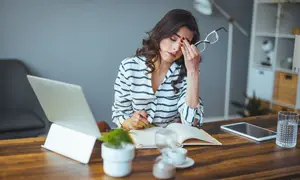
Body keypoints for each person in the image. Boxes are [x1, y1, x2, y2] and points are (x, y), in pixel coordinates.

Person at [112, 9, 204, 130]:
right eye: (173, 38)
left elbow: (191, 124)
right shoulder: (129, 67)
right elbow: (119, 113)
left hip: (169, 143)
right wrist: (131, 122)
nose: (176, 48)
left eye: (184, 44)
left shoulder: (187, 73)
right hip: (137, 141)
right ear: (161, 33)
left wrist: (193, 72)